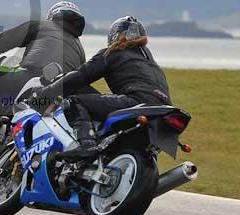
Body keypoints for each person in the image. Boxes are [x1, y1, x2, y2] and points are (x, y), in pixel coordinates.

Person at [32, 16, 171, 157]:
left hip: (137, 102)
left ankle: (87, 144)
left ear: (114, 35)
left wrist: (44, 93)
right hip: (165, 110)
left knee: (76, 101)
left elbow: (79, 76)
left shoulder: (113, 53)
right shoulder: (152, 64)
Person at [0, 1, 87, 108]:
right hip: (62, 91)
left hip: (32, 77)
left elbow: (4, 41)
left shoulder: (42, 26)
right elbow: (81, 76)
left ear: (52, 15)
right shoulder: (80, 47)